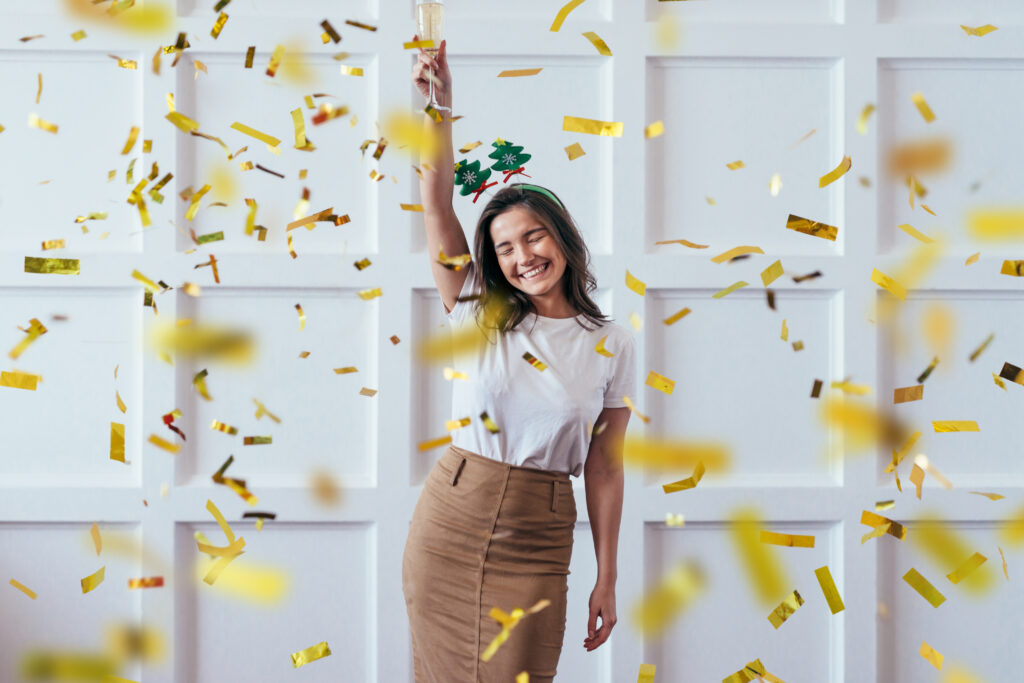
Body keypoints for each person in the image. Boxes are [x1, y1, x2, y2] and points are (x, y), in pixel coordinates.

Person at [402, 36, 637, 683]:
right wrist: (439, 106)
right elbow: (434, 199)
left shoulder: (612, 340)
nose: (522, 255)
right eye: (504, 245)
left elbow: (607, 466)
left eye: (532, 234)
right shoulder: (477, 305)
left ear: (561, 237)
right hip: (450, 520)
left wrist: (607, 575)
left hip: (539, 533)